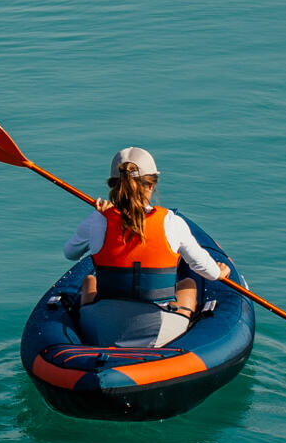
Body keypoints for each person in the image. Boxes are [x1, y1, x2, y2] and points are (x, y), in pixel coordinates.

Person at [64, 146, 228, 350]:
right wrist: (220, 272)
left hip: (101, 330)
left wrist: (104, 216)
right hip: (159, 332)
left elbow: (70, 253)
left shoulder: (97, 220)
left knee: (89, 280)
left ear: (113, 186)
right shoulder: (171, 222)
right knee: (188, 284)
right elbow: (208, 272)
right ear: (151, 185)